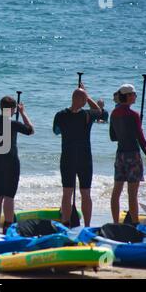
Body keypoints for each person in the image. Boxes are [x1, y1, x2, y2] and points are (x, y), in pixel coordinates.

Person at [0, 96, 34, 234]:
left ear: (0, 107)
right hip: (11, 162)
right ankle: (8, 228)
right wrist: (22, 112)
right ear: (12, 109)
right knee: (9, 196)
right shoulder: (13, 124)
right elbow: (31, 130)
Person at [109, 84, 146, 224]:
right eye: (134, 94)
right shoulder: (134, 115)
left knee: (116, 191)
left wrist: (126, 131)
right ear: (129, 96)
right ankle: (135, 226)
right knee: (132, 195)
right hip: (133, 156)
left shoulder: (114, 113)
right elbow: (141, 141)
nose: (135, 96)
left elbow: (113, 137)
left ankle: (115, 224)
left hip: (120, 155)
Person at [53, 83, 101, 227]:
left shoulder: (60, 115)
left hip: (68, 158)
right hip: (85, 159)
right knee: (85, 193)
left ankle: (66, 224)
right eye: (85, 100)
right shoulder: (88, 115)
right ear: (84, 100)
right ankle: (87, 226)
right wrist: (87, 95)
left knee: (67, 193)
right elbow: (100, 111)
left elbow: (56, 131)